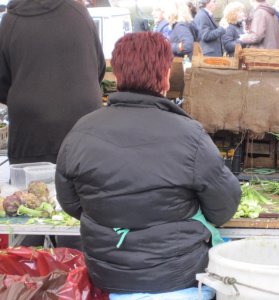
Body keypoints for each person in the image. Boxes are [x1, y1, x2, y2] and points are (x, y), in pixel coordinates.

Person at [55, 31, 241, 299]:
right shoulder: (190, 135)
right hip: (180, 275)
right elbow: (223, 207)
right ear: (165, 76)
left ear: (118, 75)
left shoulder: (81, 131)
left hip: (110, 275)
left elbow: (71, 203)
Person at [0, 0, 105, 249]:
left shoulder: (11, 21)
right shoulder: (79, 12)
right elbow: (99, 67)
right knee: (78, 217)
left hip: (30, 133)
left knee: (28, 212)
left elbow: (2, 82)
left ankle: (31, 277)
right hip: (83, 131)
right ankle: (76, 276)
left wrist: (26, 96)